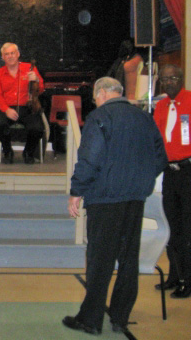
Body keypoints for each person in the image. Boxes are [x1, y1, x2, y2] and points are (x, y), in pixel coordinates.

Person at [62, 77, 167, 335]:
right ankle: (120, 318)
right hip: (135, 199)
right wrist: (140, 180)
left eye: (95, 97)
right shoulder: (144, 118)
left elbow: (90, 158)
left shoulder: (100, 117)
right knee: (129, 260)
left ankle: (90, 320)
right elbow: (160, 157)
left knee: (100, 261)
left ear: (102, 94)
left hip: (105, 199)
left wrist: (77, 191)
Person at [153, 64, 191, 298]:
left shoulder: (190, 101)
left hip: (188, 171)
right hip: (170, 172)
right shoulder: (161, 106)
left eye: (172, 78)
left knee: (187, 229)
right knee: (171, 226)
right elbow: (156, 139)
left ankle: (188, 280)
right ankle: (174, 276)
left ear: (181, 79)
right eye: (164, 79)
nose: (168, 83)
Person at [0, 43, 44, 164]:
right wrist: (6, 110)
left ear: (18, 54)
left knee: (38, 128)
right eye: (6, 54)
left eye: (12, 53)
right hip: (7, 108)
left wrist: (36, 79)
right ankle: (7, 151)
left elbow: (40, 89)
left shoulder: (30, 68)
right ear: (2, 57)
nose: (10, 56)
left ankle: (28, 152)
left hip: (28, 107)